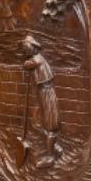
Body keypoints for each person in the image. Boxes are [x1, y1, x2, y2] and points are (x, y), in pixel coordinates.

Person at [22, 35, 62, 168]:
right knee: (39, 122)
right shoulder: (37, 58)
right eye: (25, 49)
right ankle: (54, 145)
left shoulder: (37, 59)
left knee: (50, 123)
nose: (26, 51)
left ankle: (50, 155)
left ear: (33, 47)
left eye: (27, 48)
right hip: (43, 91)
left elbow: (27, 64)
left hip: (47, 92)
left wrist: (26, 61)